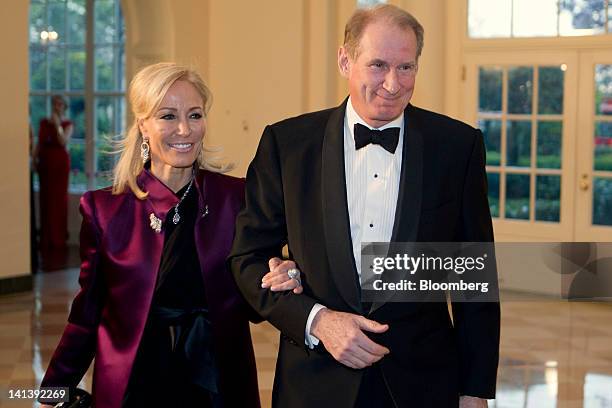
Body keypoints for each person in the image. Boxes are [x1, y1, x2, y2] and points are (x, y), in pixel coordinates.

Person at [230, 5, 500, 408]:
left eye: (406, 67)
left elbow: (472, 276)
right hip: (314, 383)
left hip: (423, 385)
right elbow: (247, 259)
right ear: (345, 60)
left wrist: (476, 390)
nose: (393, 83)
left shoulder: (457, 147)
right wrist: (316, 320)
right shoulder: (287, 145)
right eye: (378, 65)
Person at [40, 62, 301, 408]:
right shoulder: (105, 210)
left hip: (218, 382)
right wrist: (52, 390)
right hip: (135, 384)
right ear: (143, 125)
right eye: (167, 116)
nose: (184, 129)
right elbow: (87, 313)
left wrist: (282, 274)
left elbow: (254, 297)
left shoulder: (235, 199)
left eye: (194, 115)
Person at [35, 95, 73, 271]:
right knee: (46, 199)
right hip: (45, 162)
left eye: (60, 103)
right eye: (55, 103)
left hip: (59, 163)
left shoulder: (68, 124)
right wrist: (34, 159)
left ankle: (57, 239)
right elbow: (38, 142)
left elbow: (62, 141)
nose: (57, 106)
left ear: (64, 106)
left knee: (58, 200)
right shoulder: (44, 122)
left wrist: (57, 123)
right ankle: (46, 238)